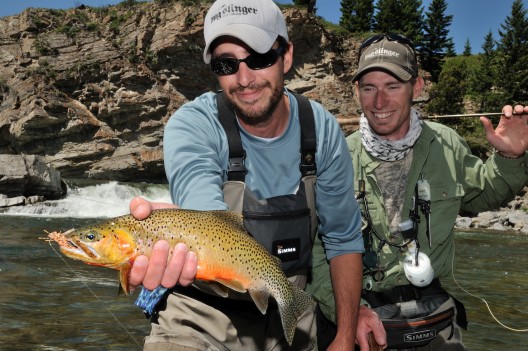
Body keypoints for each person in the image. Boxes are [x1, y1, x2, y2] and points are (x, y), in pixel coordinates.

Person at [127, 0, 364, 350]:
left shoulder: (321, 130)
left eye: (259, 58)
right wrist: (179, 227)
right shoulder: (194, 124)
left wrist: (345, 336)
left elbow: (343, 239)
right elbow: (204, 209)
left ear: (286, 56)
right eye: (227, 63)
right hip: (201, 312)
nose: (244, 78)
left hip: (288, 305)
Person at [311, 33, 528, 350]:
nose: (380, 101)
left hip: (432, 320)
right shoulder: (337, 157)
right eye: (369, 88)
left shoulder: (447, 144)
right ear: (356, 91)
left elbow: (486, 195)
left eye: (393, 86)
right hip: (357, 318)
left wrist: (511, 157)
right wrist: (347, 313)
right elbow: (318, 254)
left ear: (417, 87)